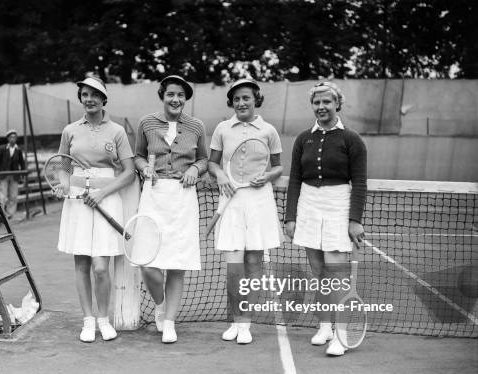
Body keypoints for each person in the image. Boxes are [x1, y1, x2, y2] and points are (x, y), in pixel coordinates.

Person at [284, 81, 367, 357]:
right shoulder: (303, 138)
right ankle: (324, 326)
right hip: (308, 205)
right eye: (317, 102)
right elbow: (295, 179)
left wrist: (354, 220)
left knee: (336, 273)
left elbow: (360, 183)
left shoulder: (351, 139)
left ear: (337, 104)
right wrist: (290, 217)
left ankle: (341, 334)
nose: (321, 107)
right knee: (318, 272)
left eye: (326, 102)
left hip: (338, 205)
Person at [56, 76, 135, 343]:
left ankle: (104, 318)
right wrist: (64, 186)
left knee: (101, 267)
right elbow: (63, 167)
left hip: (106, 200)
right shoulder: (70, 130)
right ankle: (88, 320)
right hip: (77, 202)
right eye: (84, 94)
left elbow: (129, 173)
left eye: (94, 94)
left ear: (103, 99)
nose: (88, 99)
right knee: (82, 263)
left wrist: (102, 193)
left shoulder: (117, 131)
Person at [208, 78, 284, 344]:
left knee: (253, 263)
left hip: (259, 201)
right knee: (233, 267)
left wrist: (267, 177)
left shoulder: (269, 131)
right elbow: (212, 164)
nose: (241, 103)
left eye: (246, 98)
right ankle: (235, 319)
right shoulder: (222, 128)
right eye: (237, 99)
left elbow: (278, 167)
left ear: (255, 100)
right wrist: (219, 175)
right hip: (230, 200)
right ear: (232, 101)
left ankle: (245, 324)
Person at [134, 75, 208, 343]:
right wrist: (144, 168)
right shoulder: (146, 123)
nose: (175, 99)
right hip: (152, 196)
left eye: (180, 95)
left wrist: (194, 169)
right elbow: (139, 156)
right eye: (170, 95)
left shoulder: (196, 126)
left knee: (177, 264)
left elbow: (204, 160)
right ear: (162, 96)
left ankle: (170, 322)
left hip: (182, 198)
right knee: (147, 263)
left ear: (185, 99)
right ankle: (160, 305)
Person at [0, 129, 24, 219]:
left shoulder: (18, 150)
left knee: (13, 195)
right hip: (4, 175)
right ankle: (1, 213)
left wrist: (22, 174)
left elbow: (22, 163)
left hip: (14, 176)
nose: (13, 139)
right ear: (7, 138)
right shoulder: (2, 148)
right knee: (2, 195)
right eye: (11, 137)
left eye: (14, 137)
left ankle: (10, 213)